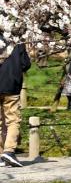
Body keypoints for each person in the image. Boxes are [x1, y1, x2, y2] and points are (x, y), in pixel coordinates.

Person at [0, 37, 31, 168]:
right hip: (11, 86)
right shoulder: (17, 42)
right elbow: (26, 64)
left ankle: (1, 155)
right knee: (13, 120)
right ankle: (9, 151)